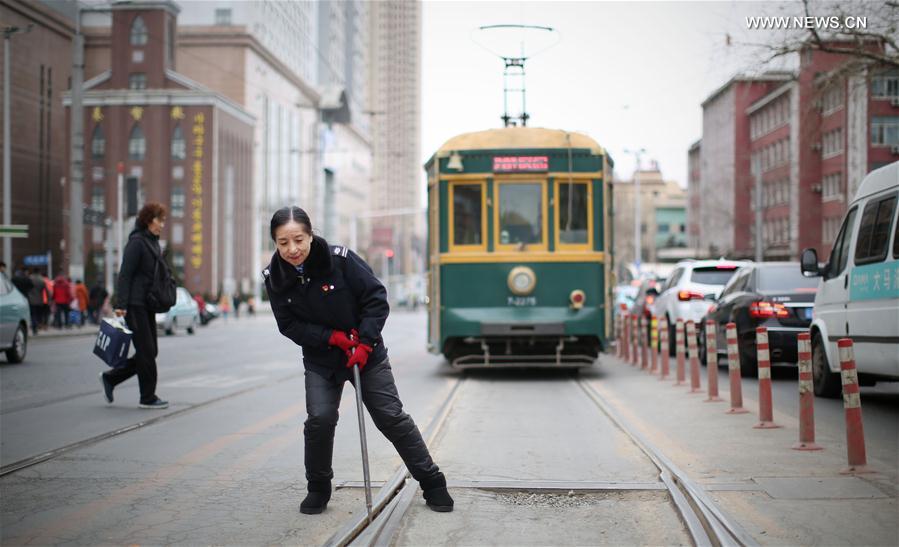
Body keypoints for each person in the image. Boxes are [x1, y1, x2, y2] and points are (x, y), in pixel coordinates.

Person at [263, 206, 453, 515]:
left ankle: (432, 481)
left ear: (311, 235)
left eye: (298, 239)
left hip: (365, 354)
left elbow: (376, 298)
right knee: (320, 420)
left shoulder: (340, 260)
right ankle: (319, 488)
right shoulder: (275, 277)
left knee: (391, 417)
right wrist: (330, 337)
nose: (292, 249)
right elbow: (289, 325)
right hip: (322, 360)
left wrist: (364, 342)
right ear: (275, 243)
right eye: (283, 243)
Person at [99, 202, 169, 409]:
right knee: (146, 351)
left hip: (147, 305)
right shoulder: (137, 242)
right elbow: (125, 275)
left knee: (150, 351)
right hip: (134, 304)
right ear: (149, 220)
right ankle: (147, 397)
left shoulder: (153, 243)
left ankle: (111, 378)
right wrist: (121, 305)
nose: (162, 225)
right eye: (159, 220)